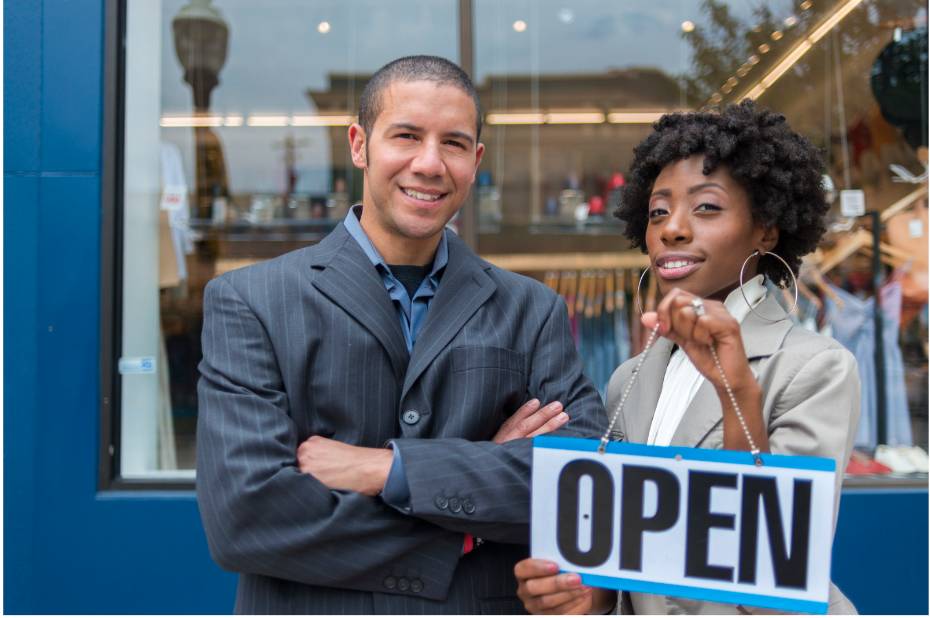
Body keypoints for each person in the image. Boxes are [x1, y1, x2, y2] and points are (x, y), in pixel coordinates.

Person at [196, 55, 607, 614]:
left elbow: (584, 485)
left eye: (455, 144)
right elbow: (247, 518)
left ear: (476, 159)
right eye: (407, 136)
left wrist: (385, 469)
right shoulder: (250, 300)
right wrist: (467, 527)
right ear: (359, 145)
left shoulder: (533, 309)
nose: (430, 163)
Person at [514, 100, 861, 615]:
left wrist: (735, 386)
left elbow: (777, 563)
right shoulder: (629, 379)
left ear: (767, 229)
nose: (671, 228)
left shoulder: (815, 368)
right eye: (657, 212)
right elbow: (627, 568)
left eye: (706, 207)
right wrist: (583, 598)